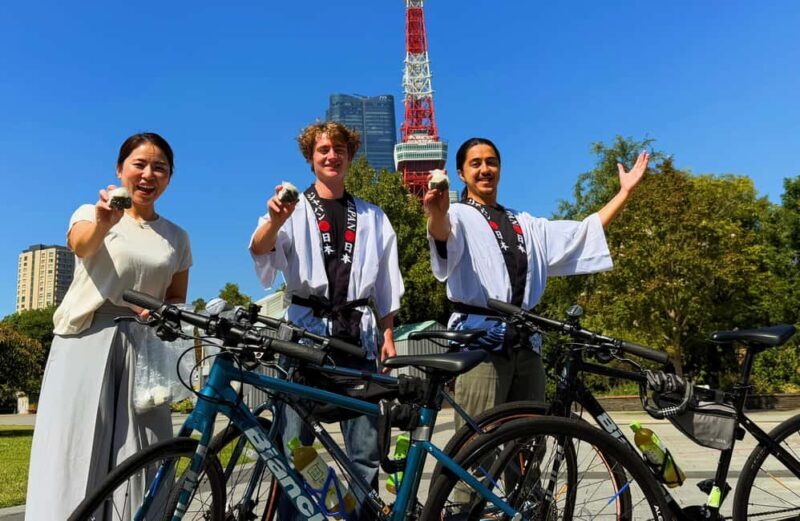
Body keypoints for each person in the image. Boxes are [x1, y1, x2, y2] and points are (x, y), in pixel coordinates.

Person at [424, 137, 648, 429]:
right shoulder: (457, 215)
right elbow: (441, 234)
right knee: (478, 437)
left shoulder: (525, 222)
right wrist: (437, 213)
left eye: (491, 162)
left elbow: (582, 233)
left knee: (531, 434)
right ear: (461, 174)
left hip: (526, 342)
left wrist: (624, 193)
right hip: (480, 343)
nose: (485, 169)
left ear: (500, 169)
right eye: (475, 163)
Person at [25, 132, 192, 520]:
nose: (148, 175)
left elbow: (176, 296)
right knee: (75, 445)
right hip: (88, 337)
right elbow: (82, 246)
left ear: (169, 177)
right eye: (139, 164)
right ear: (120, 170)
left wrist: (160, 313)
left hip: (144, 347)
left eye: (160, 168)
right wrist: (103, 222)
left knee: (145, 448)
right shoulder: (90, 213)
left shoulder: (177, 237)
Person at [249, 121, 404, 519]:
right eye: (323, 150)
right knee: (293, 447)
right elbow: (261, 251)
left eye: (339, 149)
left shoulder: (372, 216)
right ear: (310, 157)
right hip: (304, 337)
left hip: (357, 339)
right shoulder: (292, 208)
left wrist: (388, 334)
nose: (332, 156)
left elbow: (387, 282)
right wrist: (274, 221)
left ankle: (362, 516)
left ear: (350, 157)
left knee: (365, 451)